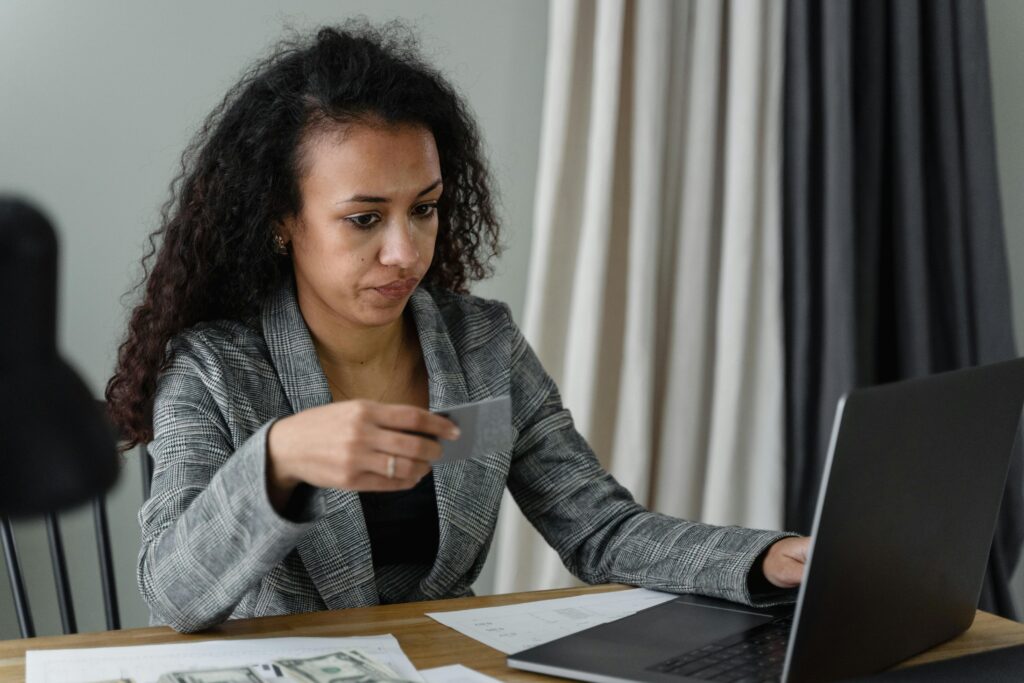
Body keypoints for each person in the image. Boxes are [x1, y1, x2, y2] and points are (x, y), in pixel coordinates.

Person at [106, 21, 809, 634]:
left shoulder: (483, 344)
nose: (406, 252)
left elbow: (597, 527)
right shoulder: (213, 368)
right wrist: (280, 457)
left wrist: (764, 558)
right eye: (364, 218)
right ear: (282, 220)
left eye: (425, 208)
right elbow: (173, 592)